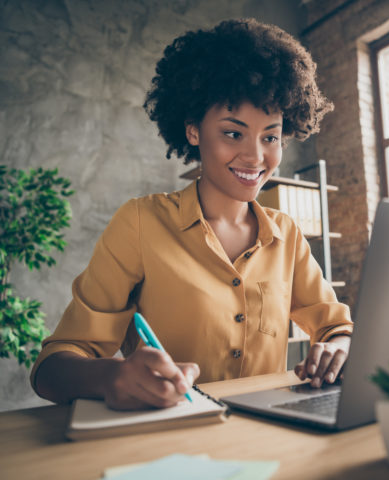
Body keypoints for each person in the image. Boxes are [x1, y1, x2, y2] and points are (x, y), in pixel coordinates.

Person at [30, 18, 353, 411]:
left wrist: (338, 347)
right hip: (171, 444)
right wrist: (113, 376)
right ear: (194, 131)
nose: (255, 156)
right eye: (233, 133)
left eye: (270, 136)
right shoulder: (140, 224)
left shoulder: (286, 234)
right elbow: (52, 369)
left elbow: (336, 326)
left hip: (269, 440)